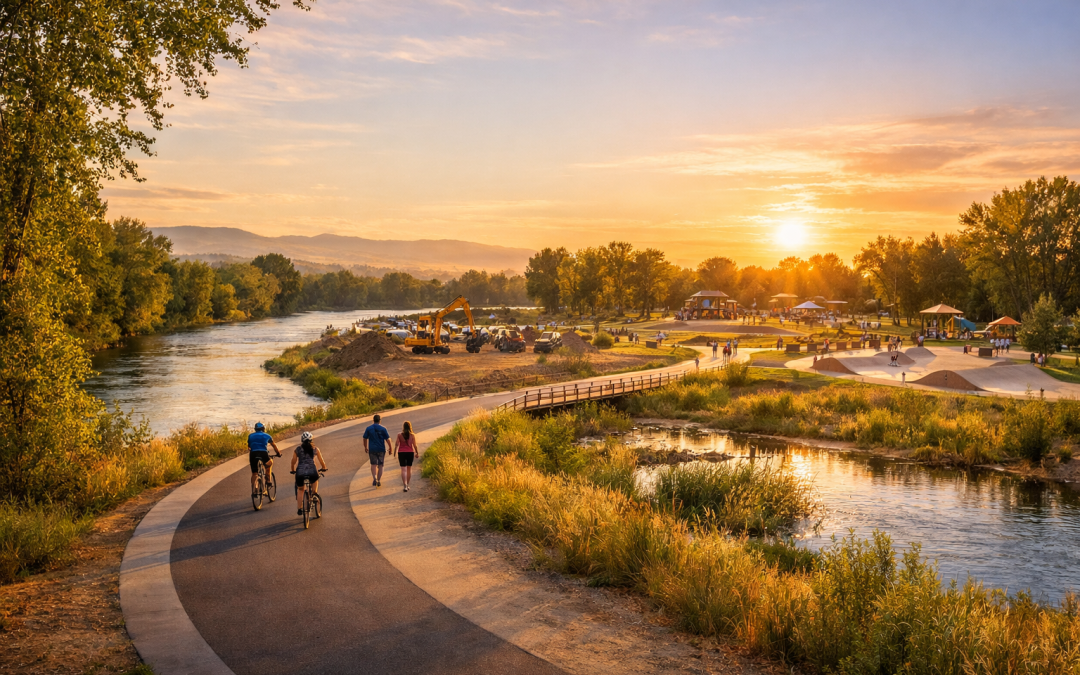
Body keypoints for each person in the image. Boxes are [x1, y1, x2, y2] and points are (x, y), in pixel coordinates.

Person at [291, 431, 327, 515]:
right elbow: (322, 461)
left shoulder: (297, 449)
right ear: (311, 440)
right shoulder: (315, 449)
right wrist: (324, 468)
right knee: (315, 479)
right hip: (312, 471)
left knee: (300, 490)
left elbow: (293, 461)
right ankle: (314, 494)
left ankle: (300, 509)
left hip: (300, 472)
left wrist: (292, 470)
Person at [247, 422, 280, 497]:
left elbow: (249, 447)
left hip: (253, 454)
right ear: (263, 429)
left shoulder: (250, 436)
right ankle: (268, 480)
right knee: (269, 463)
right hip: (263, 453)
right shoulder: (267, 435)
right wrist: (278, 453)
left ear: (255, 429)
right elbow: (274, 446)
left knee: (254, 473)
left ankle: (255, 490)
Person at [363, 414, 391, 487]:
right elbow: (388, 439)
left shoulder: (368, 428)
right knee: (381, 465)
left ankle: (374, 478)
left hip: (372, 449)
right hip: (381, 449)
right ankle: (379, 479)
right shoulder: (383, 428)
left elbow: (364, 438)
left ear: (373, 420)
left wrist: (365, 447)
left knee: (373, 464)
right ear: (380, 420)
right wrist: (390, 447)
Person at [392, 421, 419, 491]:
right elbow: (415, 445)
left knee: (403, 469)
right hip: (410, 452)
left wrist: (394, 453)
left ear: (403, 427)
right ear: (410, 427)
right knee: (409, 469)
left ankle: (405, 485)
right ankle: (408, 485)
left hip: (401, 453)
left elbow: (396, 444)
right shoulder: (412, 435)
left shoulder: (399, 435)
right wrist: (417, 453)